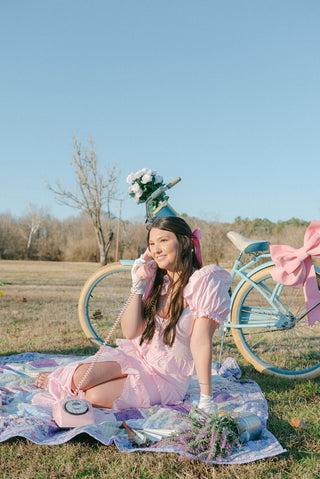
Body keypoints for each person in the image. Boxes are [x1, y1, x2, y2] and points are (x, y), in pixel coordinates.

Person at [35, 216, 231, 414]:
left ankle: (73, 388)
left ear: (185, 241)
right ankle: (67, 382)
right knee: (78, 379)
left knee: (94, 396)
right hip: (136, 356)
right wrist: (137, 284)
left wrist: (206, 398)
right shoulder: (157, 280)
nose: (156, 249)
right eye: (152, 244)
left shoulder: (204, 282)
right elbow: (131, 332)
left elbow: (201, 342)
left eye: (163, 240)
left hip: (166, 378)